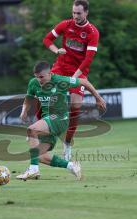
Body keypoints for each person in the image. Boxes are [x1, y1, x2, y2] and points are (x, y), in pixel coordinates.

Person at [16, 61, 106, 181]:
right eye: (36, 77)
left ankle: (33, 170)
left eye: (41, 77)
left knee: (31, 130)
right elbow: (28, 99)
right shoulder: (33, 83)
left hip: (59, 119)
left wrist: (98, 98)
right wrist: (24, 111)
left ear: (50, 73)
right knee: (39, 156)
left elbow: (84, 82)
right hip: (47, 121)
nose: (39, 80)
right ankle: (71, 166)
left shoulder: (60, 80)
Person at [43, 0, 99, 160]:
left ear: (86, 12)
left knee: (75, 108)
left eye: (79, 13)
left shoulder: (92, 32)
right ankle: (41, 133)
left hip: (78, 72)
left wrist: (73, 79)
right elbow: (47, 40)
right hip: (60, 68)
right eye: (73, 12)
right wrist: (56, 50)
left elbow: (88, 60)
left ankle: (67, 143)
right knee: (47, 99)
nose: (75, 16)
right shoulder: (65, 24)